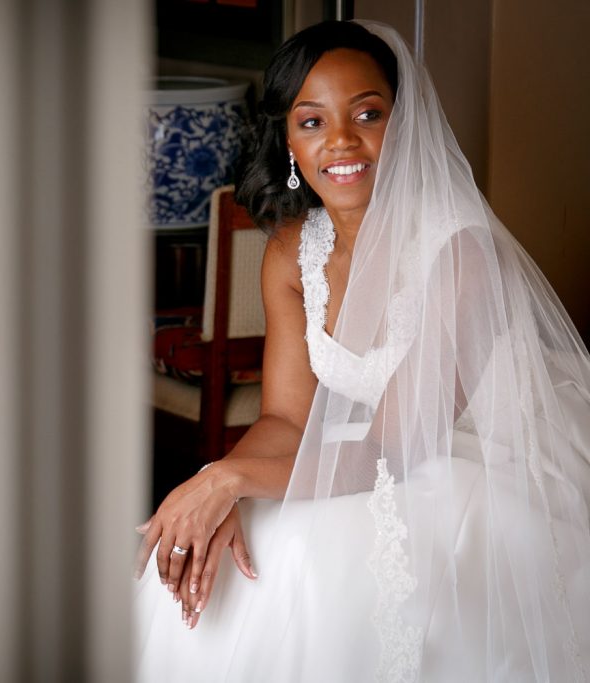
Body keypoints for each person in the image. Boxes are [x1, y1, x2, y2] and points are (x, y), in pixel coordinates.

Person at [134, 20, 590, 682]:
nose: (342, 140)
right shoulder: (292, 252)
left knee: (315, 558)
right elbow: (285, 419)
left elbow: (398, 448)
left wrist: (228, 479)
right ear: (289, 142)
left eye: (368, 114)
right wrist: (219, 485)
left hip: (489, 459)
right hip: (373, 448)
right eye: (312, 121)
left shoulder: (460, 253)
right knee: (226, 535)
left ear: (405, 126)